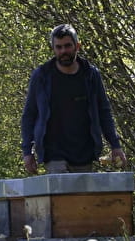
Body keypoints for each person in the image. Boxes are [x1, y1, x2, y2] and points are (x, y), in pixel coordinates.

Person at [21, 24, 126, 174]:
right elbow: (29, 115)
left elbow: (104, 112)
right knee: (62, 195)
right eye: (59, 47)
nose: (63, 51)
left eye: (68, 46)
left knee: (81, 197)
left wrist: (115, 146)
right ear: (53, 49)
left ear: (77, 46)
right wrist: (27, 152)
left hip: (85, 153)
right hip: (54, 153)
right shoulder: (42, 76)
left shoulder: (90, 75)